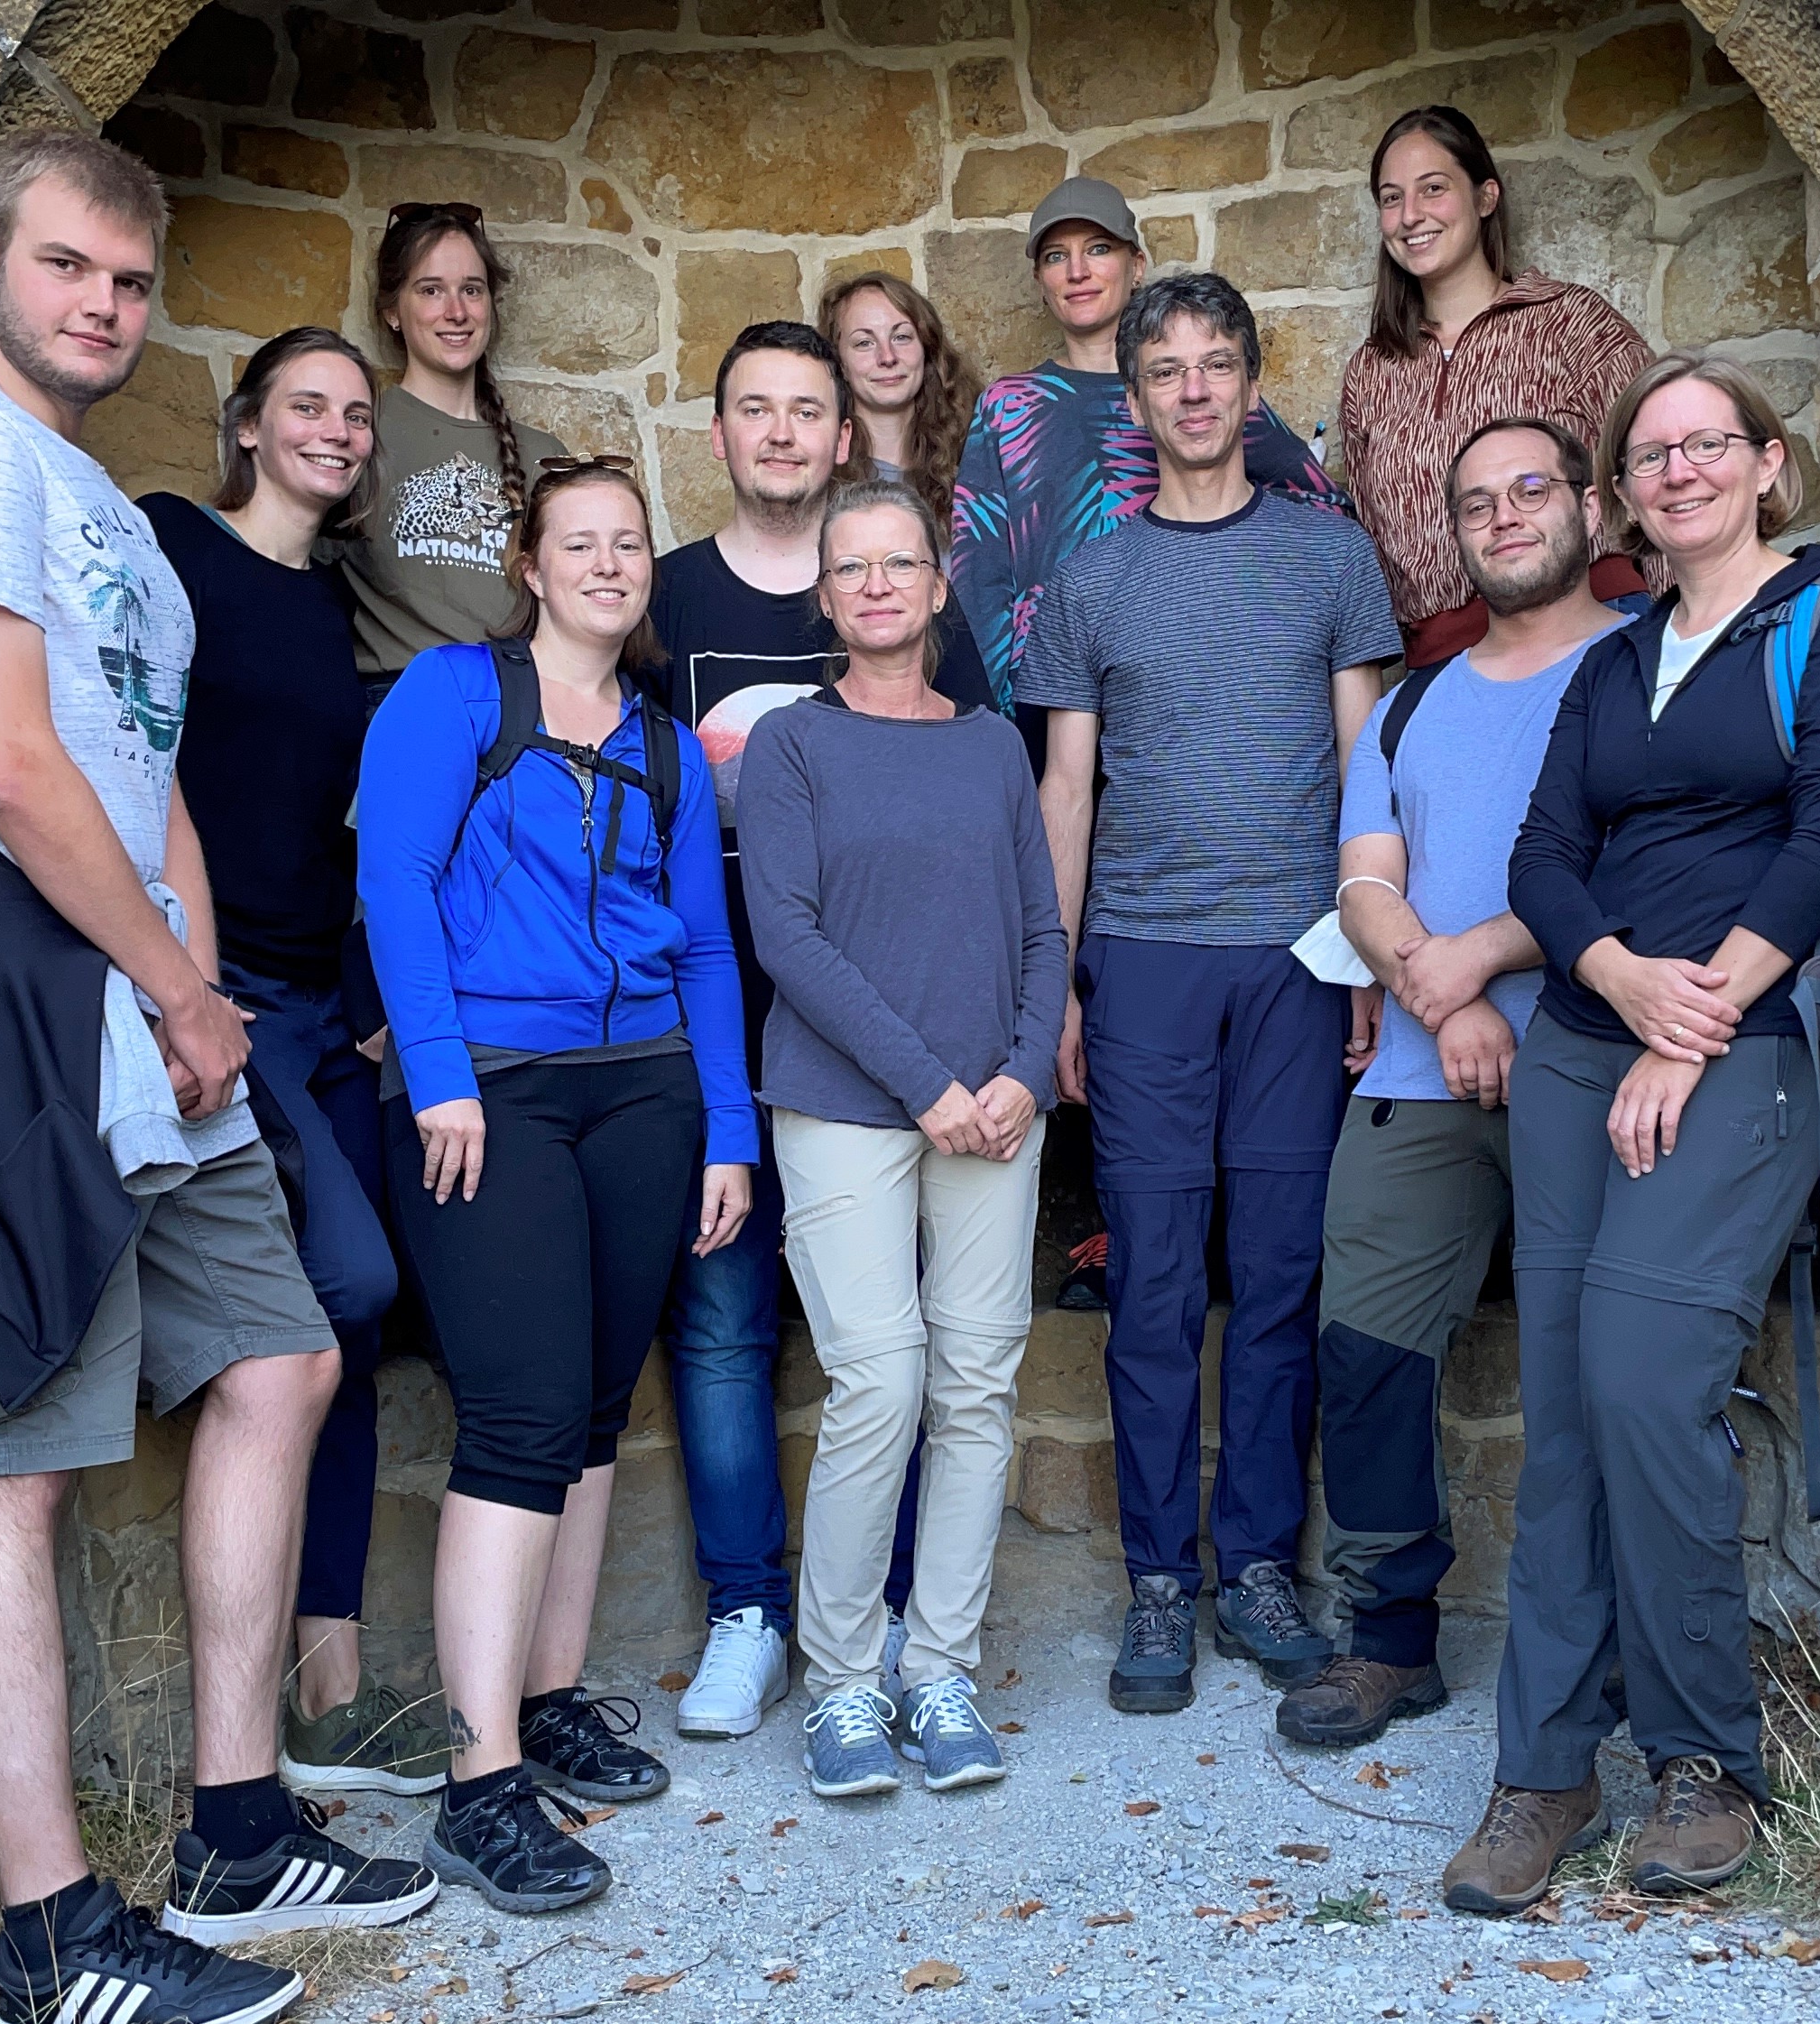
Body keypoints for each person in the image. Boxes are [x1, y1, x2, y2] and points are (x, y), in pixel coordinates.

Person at [0, 133, 434, 2024]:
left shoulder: (98, 501)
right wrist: (178, 977)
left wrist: (201, 988)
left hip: (166, 1012)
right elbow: (9, 764)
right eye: (70, 265)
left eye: (130, 280)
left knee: (287, 1350)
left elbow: (140, 752)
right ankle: (48, 1932)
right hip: (3, 982)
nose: (101, 302)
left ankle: (239, 1818)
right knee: (14, 1454)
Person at [1443, 354, 1820, 1915]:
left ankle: (1703, 1756)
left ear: (1768, 463)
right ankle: (1546, 1768)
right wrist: (1614, 980)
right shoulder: (1617, 653)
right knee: (1573, 1400)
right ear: (1623, 496)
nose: (1680, 470)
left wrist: (1692, 1015)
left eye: (1707, 443)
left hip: (1754, 1041)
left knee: (1647, 1374)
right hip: (1586, 1046)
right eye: (1650, 453)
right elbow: (1543, 853)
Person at [357, 456, 755, 1912]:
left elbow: (706, 948)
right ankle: (479, 1783)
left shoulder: (659, 737)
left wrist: (728, 1126)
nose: (607, 563)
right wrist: (444, 1070)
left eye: (627, 544)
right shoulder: (455, 694)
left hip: (645, 1094)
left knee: (595, 1406)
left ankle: (553, 1695)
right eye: (577, 543)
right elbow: (394, 880)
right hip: (492, 1098)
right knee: (521, 1417)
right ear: (529, 562)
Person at [1015, 273, 1400, 1717]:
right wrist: (1053, 984)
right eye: (1164, 369)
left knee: (1285, 1273)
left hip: (1299, 960)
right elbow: (1066, 789)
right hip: (1144, 964)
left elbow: (1374, 777)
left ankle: (1257, 1566)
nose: (1191, 388)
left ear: (1252, 384)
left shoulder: (1330, 558)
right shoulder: (1091, 578)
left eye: (1216, 363)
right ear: (1135, 401)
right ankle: (1160, 1582)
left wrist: (1372, 956)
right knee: (1158, 1284)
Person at [647, 323, 993, 1742]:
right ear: (719, 433)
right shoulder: (665, 598)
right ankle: (751, 1611)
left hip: (899, 1024)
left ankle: (916, 1619)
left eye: (808, 409)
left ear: (844, 434)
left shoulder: (908, 608)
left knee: (919, 1342)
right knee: (726, 1319)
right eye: (755, 408)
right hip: (711, 1001)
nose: (782, 431)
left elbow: (986, 813)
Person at [1270, 418, 1629, 1754]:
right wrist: (1449, 992)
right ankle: (1388, 1638)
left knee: (1601, 1365)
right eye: (1477, 499)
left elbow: (1646, 867)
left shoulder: (1643, 669)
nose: (1505, 515)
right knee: (1363, 1347)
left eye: (1532, 487)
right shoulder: (1417, 699)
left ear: (1589, 508)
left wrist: (1472, 969)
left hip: (1598, 1063)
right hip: (1421, 1076)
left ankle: (1596, 1642)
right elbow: (1364, 881)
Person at [135, 329, 454, 1802]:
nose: (334, 429)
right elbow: (115, 754)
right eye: (306, 406)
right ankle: (275, 1710)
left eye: (354, 414)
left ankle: (328, 1679)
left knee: (360, 1307)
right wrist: (173, 975)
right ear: (249, 424)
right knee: (349, 1286)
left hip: (318, 1000)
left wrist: (377, 988)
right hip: (211, 992)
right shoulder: (170, 547)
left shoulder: (339, 605)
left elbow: (354, 814)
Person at [735, 479, 1066, 1800]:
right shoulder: (793, 746)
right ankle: (846, 1681)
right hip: (850, 1103)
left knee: (979, 1387)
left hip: (994, 1109)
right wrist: (933, 1082)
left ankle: (940, 1670)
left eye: (900, 564)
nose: (877, 584)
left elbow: (1045, 925)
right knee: (879, 1376)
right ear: (825, 597)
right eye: (851, 567)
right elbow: (789, 938)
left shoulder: (991, 744)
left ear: (938, 588)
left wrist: (1026, 1071)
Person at [949, 176, 1349, 777]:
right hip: (1050, 700)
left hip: (1185, 681)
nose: (1078, 270)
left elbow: (1318, 509)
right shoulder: (1010, 405)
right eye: (1057, 257)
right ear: (1041, 282)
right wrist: (998, 716)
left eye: (1099, 249)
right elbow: (977, 573)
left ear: (1137, 266)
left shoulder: (1192, 389)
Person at [1339, 106, 1655, 670]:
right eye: (1391, 198)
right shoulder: (1372, 371)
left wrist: (1681, 644)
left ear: (1486, 197)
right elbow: (1376, 552)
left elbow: (1653, 476)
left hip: (1594, 639)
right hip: (1447, 665)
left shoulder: (1571, 323)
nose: (1410, 216)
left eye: (1432, 189)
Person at [337, 199, 565, 706]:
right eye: (431, 290)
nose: (456, 311)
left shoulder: (542, 455)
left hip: (519, 710)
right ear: (392, 311)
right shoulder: (358, 430)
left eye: (471, 290)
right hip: (400, 702)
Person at [817, 270, 982, 524]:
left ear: (927, 349)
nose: (887, 357)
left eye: (901, 337)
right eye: (864, 343)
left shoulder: (975, 466)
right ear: (839, 362)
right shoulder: (816, 476)